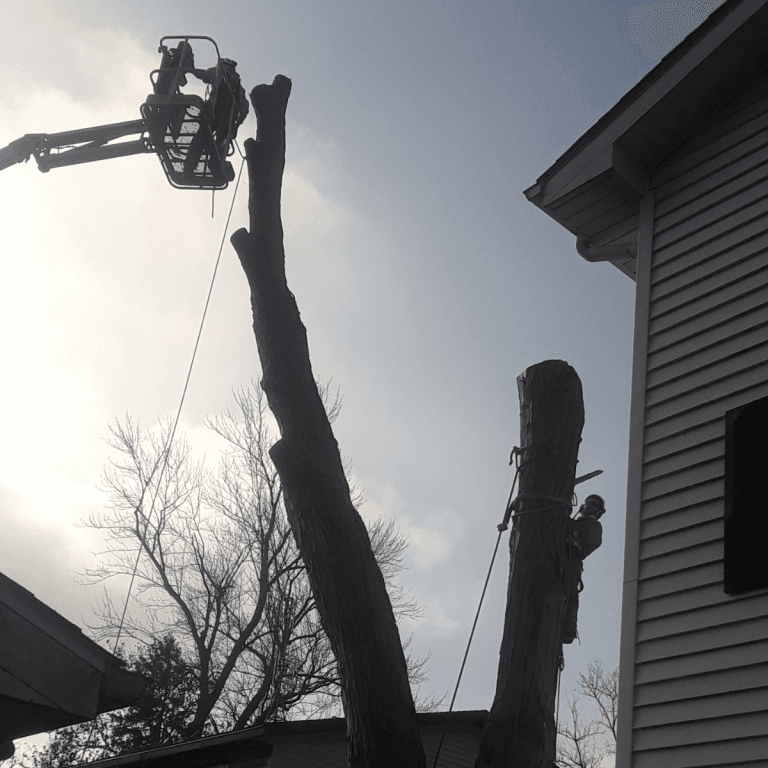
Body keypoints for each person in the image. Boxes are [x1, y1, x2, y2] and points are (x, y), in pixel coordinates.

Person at [183, 58, 249, 179]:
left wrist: (189, 70)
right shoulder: (239, 88)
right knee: (219, 147)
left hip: (213, 117)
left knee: (200, 142)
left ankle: (189, 169)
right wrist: (236, 126)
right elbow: (244, 110)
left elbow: (204, 75)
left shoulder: (219, 72)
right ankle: (215, 167)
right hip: (226, 123)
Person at [562, 494, 605, 644]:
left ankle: (568, 628)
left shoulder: (594, 526)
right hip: (558, 559)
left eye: (593, 505)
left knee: (570, 594)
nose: (589, 506)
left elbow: (589, 543)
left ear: (598, 512)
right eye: (588, 503)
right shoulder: (569, 522)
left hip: (571, 563)